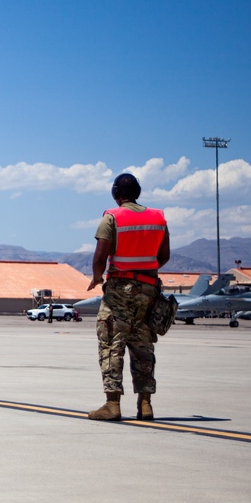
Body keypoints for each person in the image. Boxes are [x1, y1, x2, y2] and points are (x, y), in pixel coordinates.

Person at [87, 173, 170, 421]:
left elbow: (100, 257)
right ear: (139, 191)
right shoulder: (158, 218)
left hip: (119, 291)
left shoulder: (111, 218)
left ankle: (112, 404)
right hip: (148, 289)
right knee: (143, 345)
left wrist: (97, 277)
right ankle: (145, 405)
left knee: (112, 342)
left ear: (116, 193)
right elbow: (163, 256)